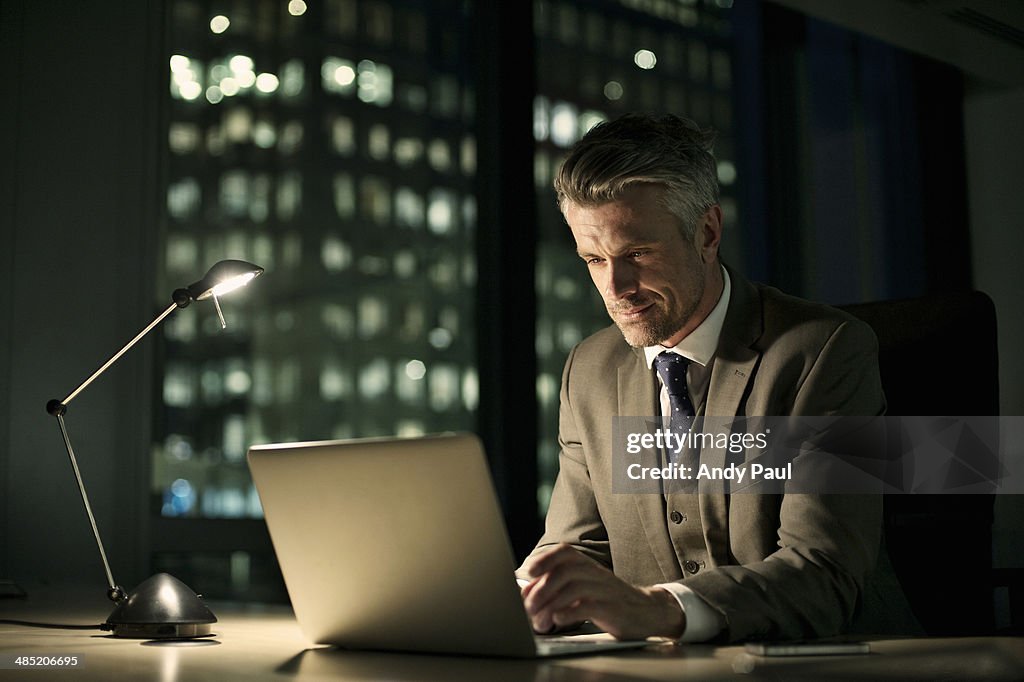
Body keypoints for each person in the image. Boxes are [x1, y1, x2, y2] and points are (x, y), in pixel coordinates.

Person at [517, 112, 915, 643]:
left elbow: (824, 572)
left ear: (706, 231)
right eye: (593, 258)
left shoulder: (823, 352)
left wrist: (659, 610)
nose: (617, 286)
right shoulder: (587, 371)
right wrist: (519, 596)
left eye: (637, 253)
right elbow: (578, 551)